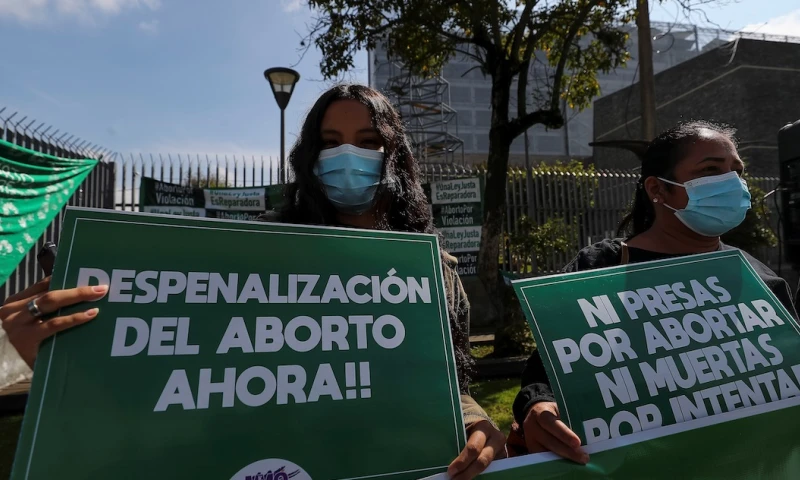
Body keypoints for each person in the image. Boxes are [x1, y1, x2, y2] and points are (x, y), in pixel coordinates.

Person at [0, 84, 504, 480]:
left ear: (396, 156)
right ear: (310, 157)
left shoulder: (433, 270)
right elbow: (178, 373)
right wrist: (59, 361)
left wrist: (472, 420)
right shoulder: (257, 253)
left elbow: (443, 383)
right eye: (330, 144)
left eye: (369, 142)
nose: (349, 155)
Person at [507, 120, 800, 463]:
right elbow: (546, 371)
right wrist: (539, 405)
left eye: (737, 171)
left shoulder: (760, 278)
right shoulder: (600, 268)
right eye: (711, 170)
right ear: (658, 190)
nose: (733, 183)